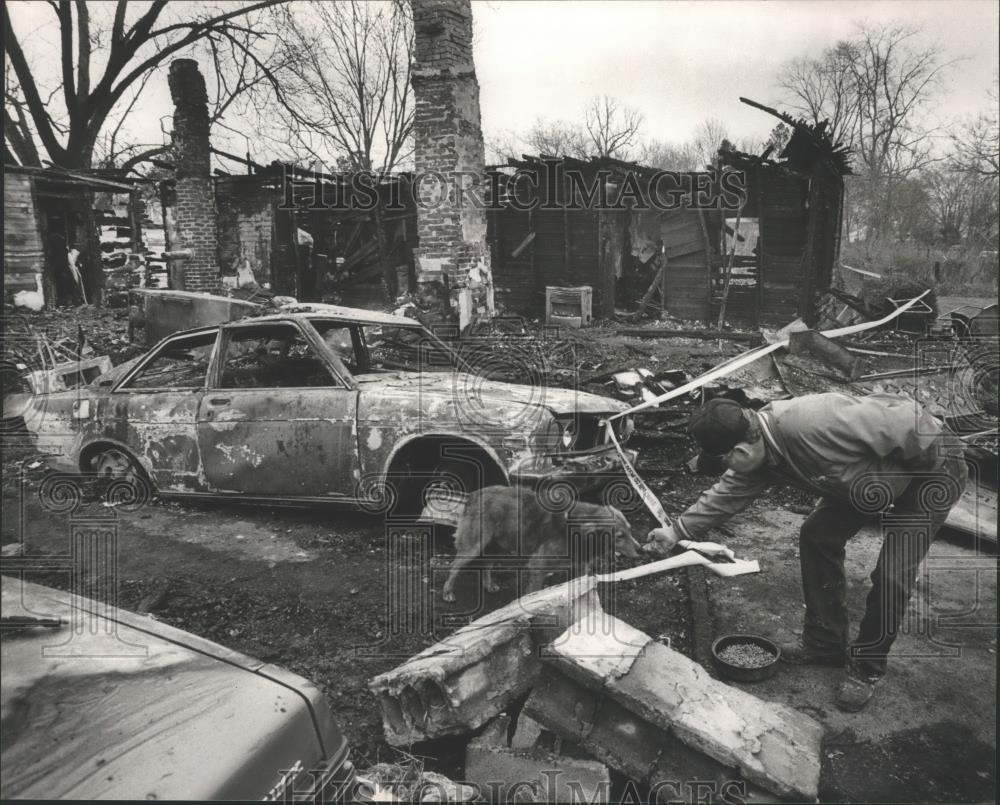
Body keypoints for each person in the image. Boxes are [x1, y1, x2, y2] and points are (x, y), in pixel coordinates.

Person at [645, 392, 967, 712]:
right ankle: (825, 644)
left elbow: (907, 421)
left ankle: (867, 667)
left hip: (931, 468)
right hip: (862, 480)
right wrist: (675, 532)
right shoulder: (759, 456)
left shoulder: (815, 421)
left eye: (727, 462)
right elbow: (727, 493)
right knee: (817, 535)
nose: (731, 471)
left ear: (742, 448)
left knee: (892, 573)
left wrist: (901, 481)